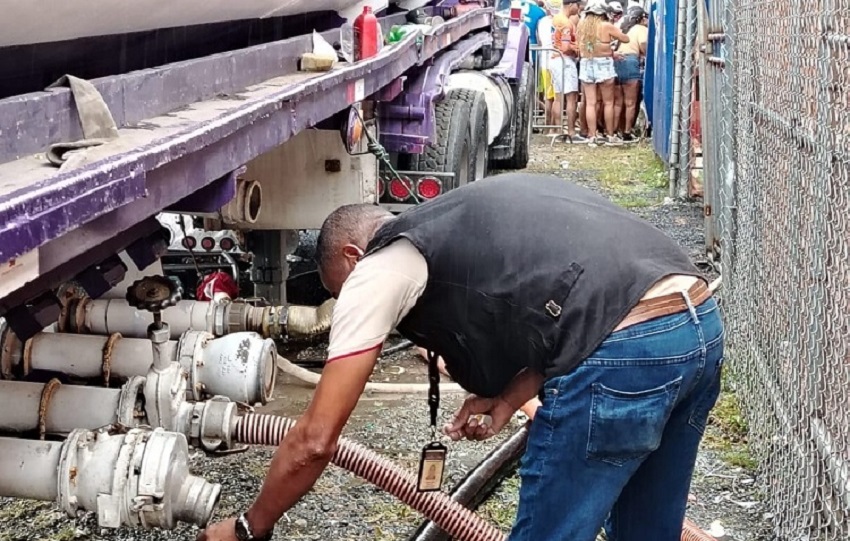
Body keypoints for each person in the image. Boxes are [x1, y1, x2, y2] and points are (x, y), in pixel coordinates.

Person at [197, 173, 724, 541]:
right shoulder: (462, 219)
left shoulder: (381, 264)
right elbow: (569, 304)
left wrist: (248, 527)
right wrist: (508, 398)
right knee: (646, 532)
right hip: (697, 325)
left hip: (627, 350)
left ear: (352, 257)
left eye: (340, 290)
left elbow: (315, 439)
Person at [576, 0, 630, 146]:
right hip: (604, 64)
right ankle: (610, 135)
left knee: (590, 103)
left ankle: (592, 136)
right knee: (608, 102)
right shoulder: (606, 26)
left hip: (586, 63)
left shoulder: (582, 25)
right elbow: (625, 39)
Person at [551, 0, 585, 142]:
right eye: (578, 5)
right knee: (571, 97)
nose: (579, 8)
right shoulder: (566, 23)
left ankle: (558, 131)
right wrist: (576, 47)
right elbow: (565, 47)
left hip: (554, 58)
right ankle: (571, 132)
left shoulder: (555, 19)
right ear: (571, 4)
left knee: (558, 98)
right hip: (564, 60)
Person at [615, 6, 649, 141]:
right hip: (630, 61)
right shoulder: (641, 29)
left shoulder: (625, 29)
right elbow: (643, 45)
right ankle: (627, 131)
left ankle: (615, 130)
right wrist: (646, 53)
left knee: (618, 102)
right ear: (642, 18)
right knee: (631, 102)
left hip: (618, 61)